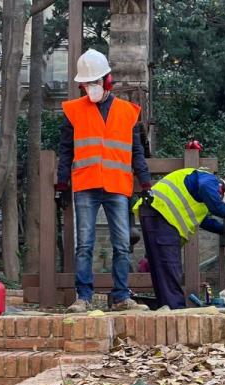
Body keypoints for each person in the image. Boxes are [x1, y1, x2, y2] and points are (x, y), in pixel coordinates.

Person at [56, 49, 152, 313]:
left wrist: (145, 183)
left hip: (117, 186)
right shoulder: (73, 111)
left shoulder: (127, 112)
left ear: (107, 81)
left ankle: (121, 297)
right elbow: (66, 151)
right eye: (87, 84)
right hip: (85, 185)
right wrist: (61, 184)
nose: (92, 87)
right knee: (84, 245)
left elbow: (137, 152)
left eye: (96, 82)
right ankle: (83, 297)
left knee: (122, 244)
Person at [133, 169, 225, 309]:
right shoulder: (210, 180)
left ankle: (165, 308)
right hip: (162, 213)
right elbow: (214, 203)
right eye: (218, 198)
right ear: (221, 189)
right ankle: (175, 310)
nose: (215, 201)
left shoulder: (199, 197)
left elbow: (206, 222)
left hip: (152, 211)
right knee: (169, 267)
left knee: (160, 269)